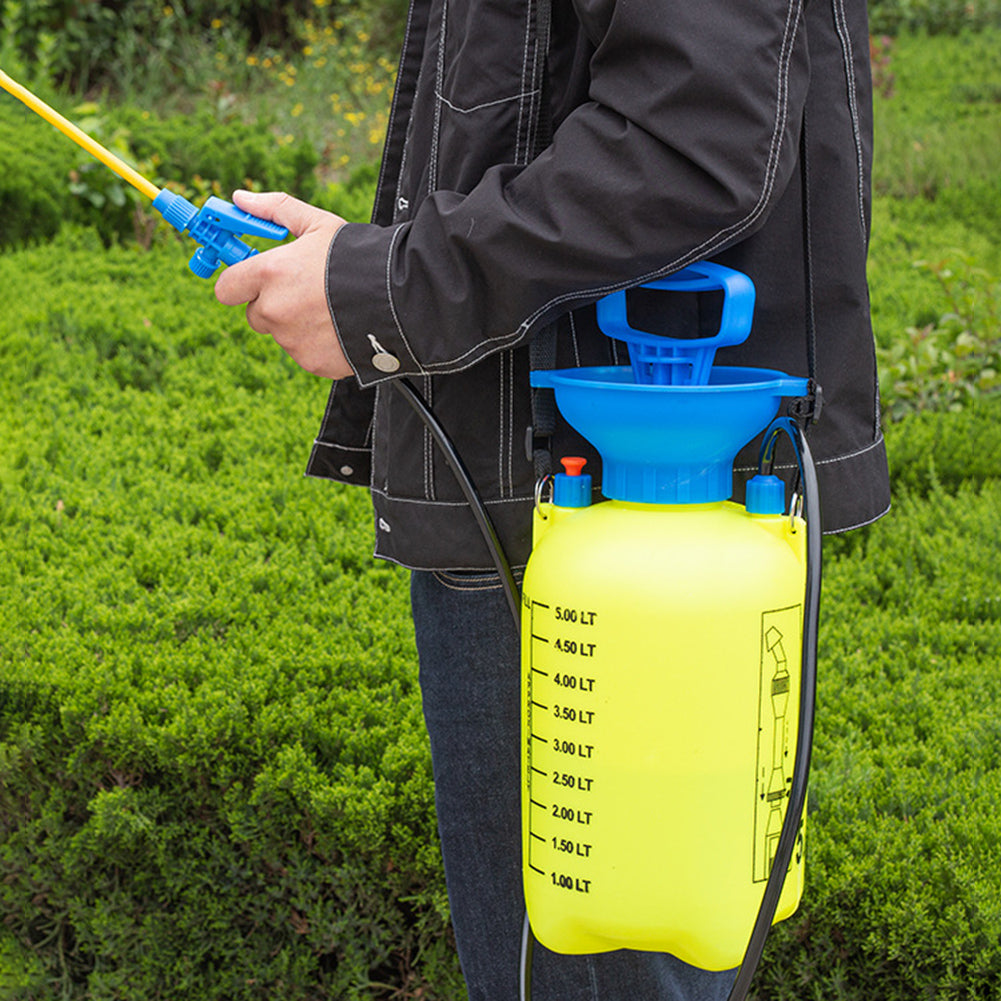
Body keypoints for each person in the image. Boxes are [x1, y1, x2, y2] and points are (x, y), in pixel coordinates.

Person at [215, 0, 890, 996]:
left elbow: (684, 149)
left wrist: (390, 290)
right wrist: (372, 266)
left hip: (590, 513)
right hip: (590, 499)